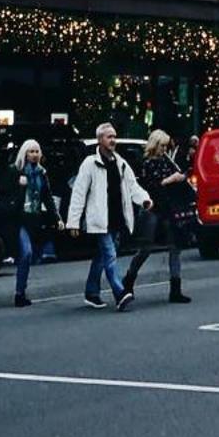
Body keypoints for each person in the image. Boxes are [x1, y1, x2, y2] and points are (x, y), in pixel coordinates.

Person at [66, 121, 151, 310]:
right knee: (110, 255)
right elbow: (79, 193)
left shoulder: (120, 163)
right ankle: (120, 293)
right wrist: (73, 222)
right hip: (99, 219)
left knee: (102, 256)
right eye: (109, 137)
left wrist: (144, 199)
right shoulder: (89, 163)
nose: (113, 140)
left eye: (114, 136)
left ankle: (91, 292)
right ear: (99, 140)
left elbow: (132, 186)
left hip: (116, 217)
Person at [122, 130, 193, 305]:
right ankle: (129, 280)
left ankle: (175, 289)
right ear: (154, 145)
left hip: (169, 208)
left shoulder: (167, 162)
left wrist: (182, 177)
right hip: (153, 209)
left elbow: (178, 180)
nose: (164, 149)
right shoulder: (148, 163)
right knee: (146, 248)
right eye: (161, 146)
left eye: (166, 146)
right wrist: (171, 179)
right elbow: (152, 186)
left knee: (174, 247)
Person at [9, 137, 60, 308]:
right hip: (19, 219)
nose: (35, 154)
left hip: (35, 219)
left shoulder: (41, 173)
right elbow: (7, 195)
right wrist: (20, 186)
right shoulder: (16, 172)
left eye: (37, 151)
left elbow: (47, 198)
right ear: (25, 154)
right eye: (31, 151)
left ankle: (21, 291)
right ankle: (19, 293)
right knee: (26, 253)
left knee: (30, 256)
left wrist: (57, 218)